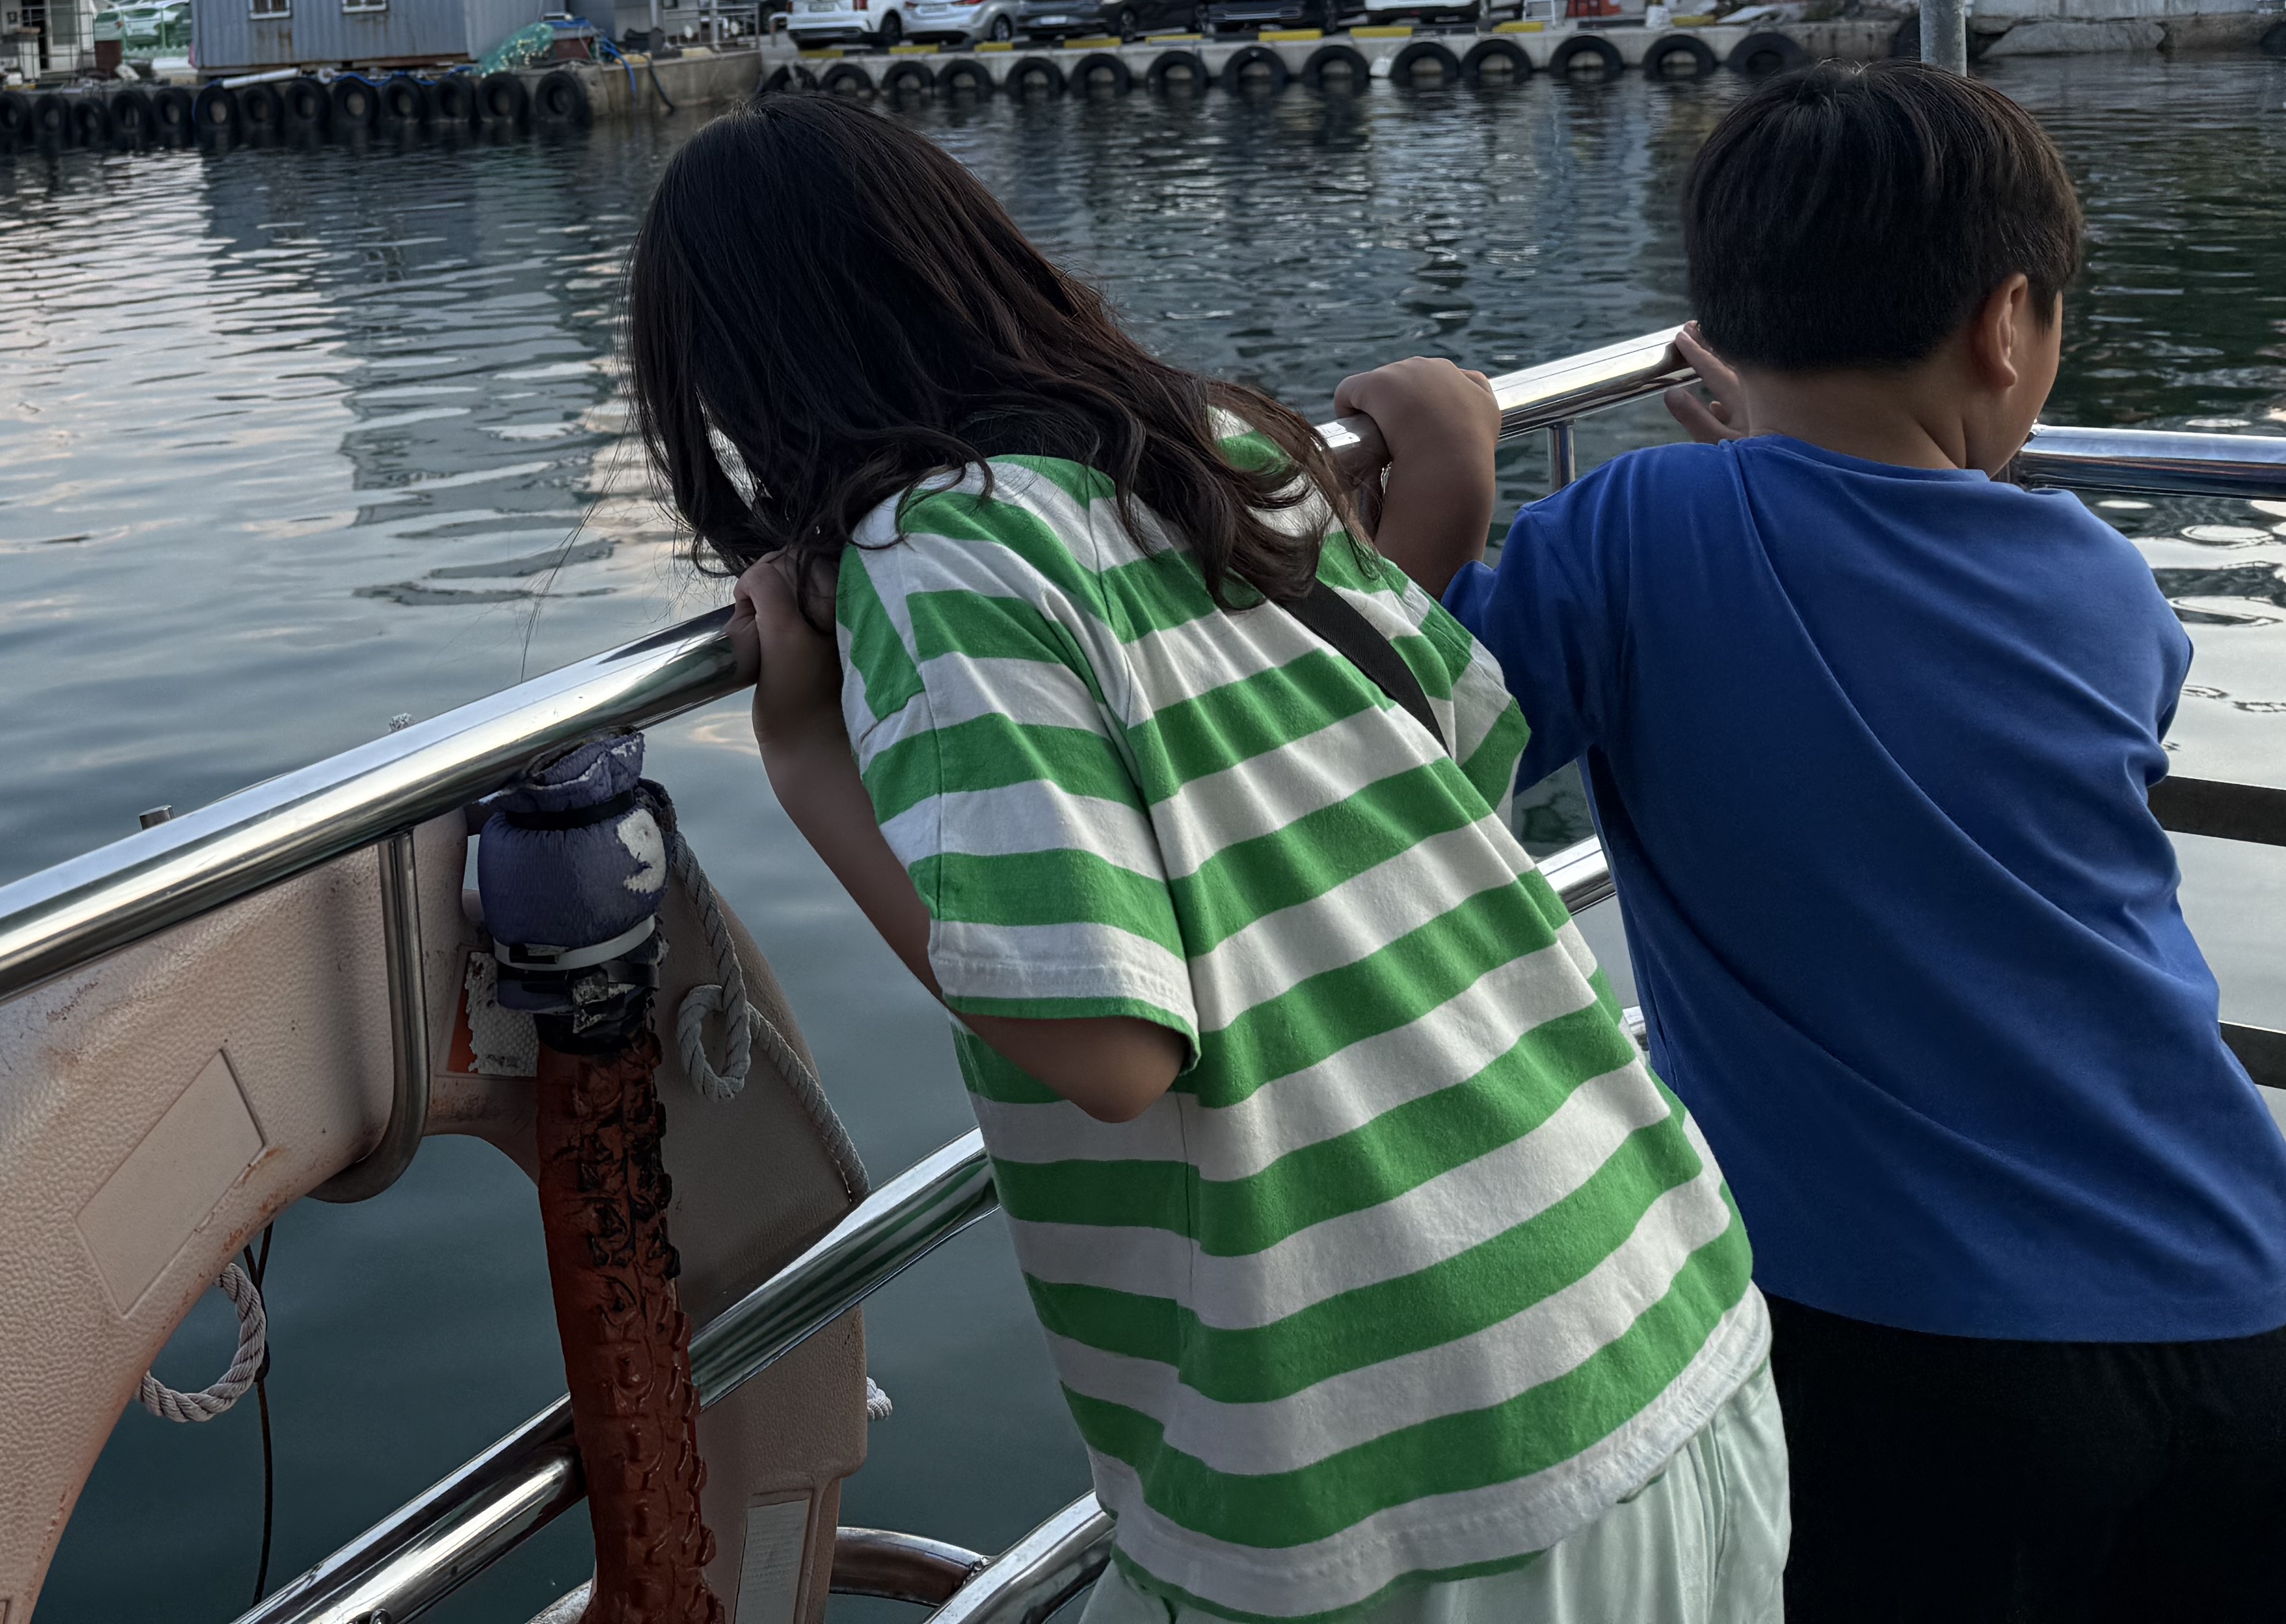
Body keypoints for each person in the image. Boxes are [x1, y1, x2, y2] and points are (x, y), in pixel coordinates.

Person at [635, 94, 1782, 1624]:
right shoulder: (1221, 444)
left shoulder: (939, 557)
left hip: (1392, 1468)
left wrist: (804, 757)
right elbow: (1426, 752)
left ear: (739, 383)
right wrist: (1443, 488)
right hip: (1658, 1311)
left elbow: (1106, 1048)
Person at [1349, 61, 2286, 1619]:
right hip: (2227, 1284)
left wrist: (1446, 494)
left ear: (1724, 321)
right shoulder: (2099, 583)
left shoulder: (1636, 538)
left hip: (1899, 1341)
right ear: (2005, 324)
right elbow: (1895, 612)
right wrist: (1784, 464)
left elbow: (1403, 772)